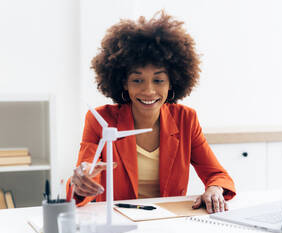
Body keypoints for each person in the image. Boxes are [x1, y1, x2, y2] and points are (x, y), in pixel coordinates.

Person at [67, 11, 236, 214]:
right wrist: (81, 182)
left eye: (158, 80)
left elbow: (216, 174)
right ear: (123, 82)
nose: (148, 91)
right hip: (118, 221)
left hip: (167, 223)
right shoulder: (100, 120)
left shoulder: (185, 119)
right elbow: (86, 176)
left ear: (172, 81)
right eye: (137, 80)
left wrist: (214, 189)